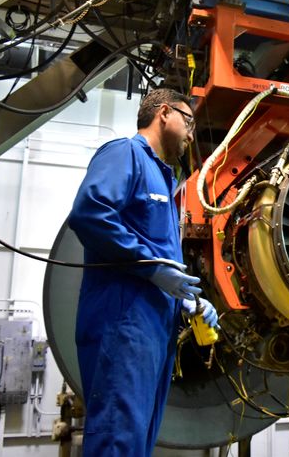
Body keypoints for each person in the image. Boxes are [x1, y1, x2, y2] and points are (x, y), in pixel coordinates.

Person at [67, 88, 218, 456]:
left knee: (137, 442)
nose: (191, 134)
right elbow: (90, 215)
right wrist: (152, 270)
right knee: (117, 440)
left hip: (153, 332)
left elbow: (164, 258)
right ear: (164, 113)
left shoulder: (164, 179)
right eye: (189, 121)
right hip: (123, 327)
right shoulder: (125, 154)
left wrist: (187, 301)